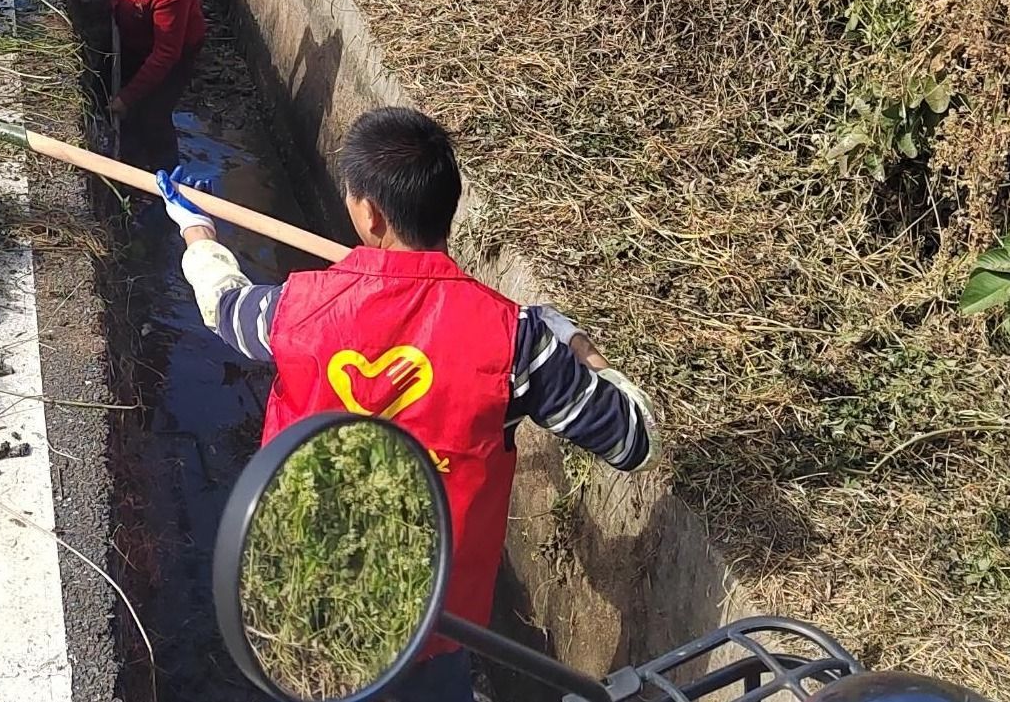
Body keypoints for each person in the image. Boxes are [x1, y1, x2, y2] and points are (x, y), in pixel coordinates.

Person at [156, 107, 657, 702]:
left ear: (369, 213)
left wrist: (197, 230)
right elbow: (633, 439)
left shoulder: (296, 309)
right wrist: (572, 342)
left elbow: (223, 305)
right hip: (432, 621)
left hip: (311, 599)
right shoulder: (517, 342)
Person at [106, 0, 207, 169]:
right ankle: (129, 159)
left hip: (172, 51)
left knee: (154, 116)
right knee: (127, 104)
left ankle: (166, 177)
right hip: (131, 34)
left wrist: (127, 98)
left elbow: (165, 54)